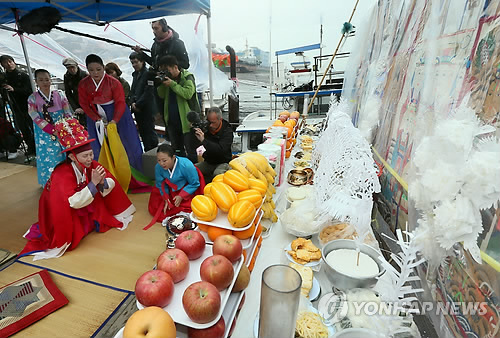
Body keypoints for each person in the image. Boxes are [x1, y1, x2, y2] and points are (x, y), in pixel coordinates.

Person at [19, 117, 135, 260]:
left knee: (97, 202)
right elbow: (72, 202)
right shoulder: (61, 174)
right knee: (71, 233)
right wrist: (93, 184)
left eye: (91, 154)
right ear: (73, 157)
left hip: (81, 201)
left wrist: (101, 182)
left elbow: (109, 183)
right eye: (85, 155)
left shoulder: (90, 164)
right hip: (59, 206)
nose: (89, 158)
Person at [78, 54, 143, 172]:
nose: (95, 73)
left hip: (117, 113)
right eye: (91, 70)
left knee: (126, 141)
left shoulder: (114, 82)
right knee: (98, 144)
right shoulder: (83, 83)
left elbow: (120, 102)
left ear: (103, 68)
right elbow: (83, 103)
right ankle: (104, 174)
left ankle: (131, 173)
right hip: (95, 114)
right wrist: (96, 118)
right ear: (87, 70)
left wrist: (114, 120)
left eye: (98, 69)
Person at [28, 69, 73, 186]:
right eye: (41, 80)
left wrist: (66, 125)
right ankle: (51, 183)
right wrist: (51, 130)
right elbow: (34, 115)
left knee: (66, 153)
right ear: (36, 81)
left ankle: (68, 180)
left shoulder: (60, 94)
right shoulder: (32, 98)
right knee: (50, 156)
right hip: (44, 132)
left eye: (47, 79)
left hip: (62, 127)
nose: (45, 82)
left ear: (50, 80)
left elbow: (67, 111)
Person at [157, 55, 200, 163]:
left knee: (190, 150)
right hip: (172, 121)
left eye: (167, 70)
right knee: (177, 151)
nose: (166, 72)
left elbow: (188, 94)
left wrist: (172, 84)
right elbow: (161, 95)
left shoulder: (187, 77)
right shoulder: (168, 80)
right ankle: (180, 172)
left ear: (175, 67)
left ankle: (194, 172)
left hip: (187, 122)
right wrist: (162, 83)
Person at [148, 143, 204, 221]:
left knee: (191, 207)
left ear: (173, 157)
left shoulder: (186, 165)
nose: (161, 163)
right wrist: (166, 198)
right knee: (159, 207)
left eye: (164, 160)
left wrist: (181, 195)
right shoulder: (158, 167)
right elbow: (161, 184)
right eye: (158, 160)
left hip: (187, 187)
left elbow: (194, 183)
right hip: (169, 187)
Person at [0, 55, 36, 156]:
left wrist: (14, 89)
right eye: (5, 63)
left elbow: (30, 91)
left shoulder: (22, 75)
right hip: (15, 107)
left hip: (28, 106)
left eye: (10, 61)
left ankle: (36, 146)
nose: (9, 64)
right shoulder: (4, 77)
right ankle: (30, 147)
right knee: (22, 128)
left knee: (32, 127)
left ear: (14, 62)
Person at [194, 107, 233, 182]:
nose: (210, 125)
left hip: (223, 162)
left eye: (213, 122)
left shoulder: (227, 131)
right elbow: (196, 148)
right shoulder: (206, 128)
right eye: (209, 122)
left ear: (220, 119)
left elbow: (220, 150)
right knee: (192, 170)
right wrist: (195, 135)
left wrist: (203, 140)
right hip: (209, 162)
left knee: (218, 175)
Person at [129, 52, 158, 152]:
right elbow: (133, 90)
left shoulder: (148, 74)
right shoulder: (135, 75)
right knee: (143, 133)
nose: (134, 65)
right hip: (138, 109)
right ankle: (147, 152)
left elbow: (149, 92)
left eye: (136, 62)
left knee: (150, 132)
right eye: (132, 63)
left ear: (142, 61)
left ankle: (153, 153)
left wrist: (138, 104)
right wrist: (132, 102)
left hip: (147, 109)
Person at [62, 57, 87, 127]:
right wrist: (75, 108)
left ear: (76, 66)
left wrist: (85, 107)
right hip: (77, 103)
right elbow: (68, 93)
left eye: (72, 67)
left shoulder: (85, 75)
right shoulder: (67, 76)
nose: (71, 70)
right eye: (68, 68)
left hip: (88, 104)